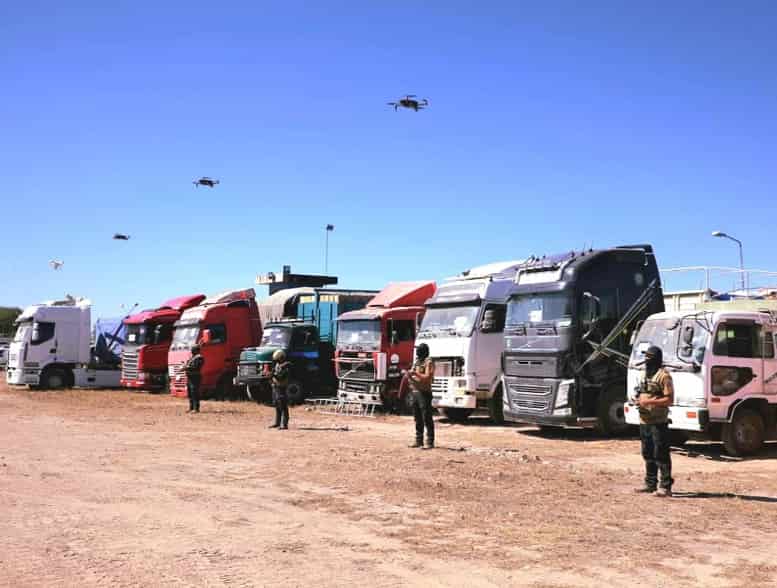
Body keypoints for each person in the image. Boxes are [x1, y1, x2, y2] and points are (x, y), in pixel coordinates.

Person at [634, 345, 675, 497]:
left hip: (658, 421)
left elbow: (669, 399)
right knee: (647, 453)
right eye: (645, 357)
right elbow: (640, 391)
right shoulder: (645, 375)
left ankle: (665, 485)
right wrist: (637, 399)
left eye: (649, 357)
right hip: (644, 420)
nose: (646, 360)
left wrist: (651, 403)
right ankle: (650, 483)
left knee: (661, 453)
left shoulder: (664, 376)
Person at [406, 343, 435, 449]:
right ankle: (419, 440)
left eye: (419, 350)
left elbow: (427, 377)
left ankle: (430, 442)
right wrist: (409, 376)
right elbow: (414, 377)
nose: (417, 352)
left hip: (424, 393)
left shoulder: (429, 362)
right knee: (417, 418)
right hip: (415, 392)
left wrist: (415, 373)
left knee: (427, 417)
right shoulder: (417, 361)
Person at [269, 349, 291, 430]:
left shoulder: (286, 366)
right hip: (276, 387)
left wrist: (273, 375)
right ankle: (277, 422)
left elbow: (281, 377)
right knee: (277, 405)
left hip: (281, 387)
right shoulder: (277, 365)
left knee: (283, 405)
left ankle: (284, 424)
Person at [184, 344, 205, 413]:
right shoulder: (192, 358)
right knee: (190, 393)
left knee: (195, 393)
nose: (191, 350)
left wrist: (186, 368)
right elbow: (189, 365)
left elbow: (195, 367)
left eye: (193, 349)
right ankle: (191, 408)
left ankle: (196, 409)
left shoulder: (199, 357)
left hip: (195, 377)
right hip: (190, 377)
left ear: (196, 350)